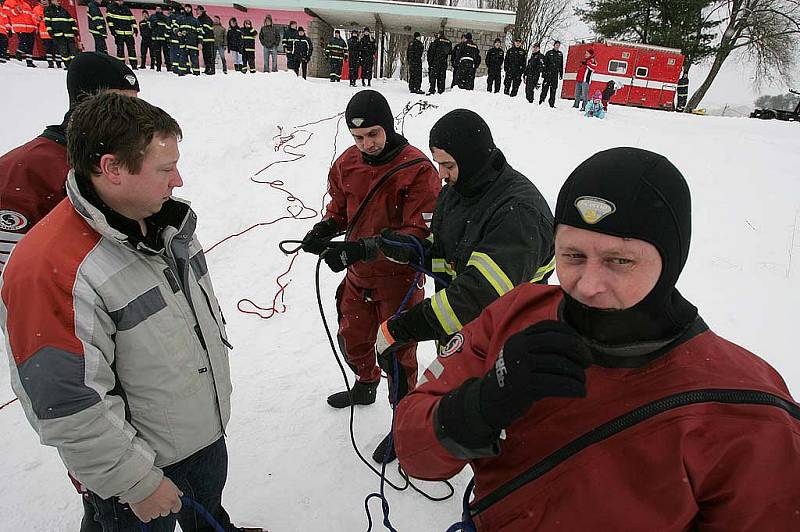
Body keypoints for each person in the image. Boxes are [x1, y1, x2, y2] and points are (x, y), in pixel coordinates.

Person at [395, 146, 800, 531]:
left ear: (671, 260)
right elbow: (413, 449)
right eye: (573, 256)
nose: (588, 285)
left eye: (619, 260)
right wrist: (479, 406)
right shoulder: (515, 314)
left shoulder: (748, 410)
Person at [1, 91, 265, 532]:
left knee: (208, 509)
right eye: (165, 169)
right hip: (137, 473)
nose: (178, 180)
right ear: (113, 169)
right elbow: (68, 405)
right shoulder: (50, 268)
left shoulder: (165, 223)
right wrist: (136, 482)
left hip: (199, 433)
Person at [0, 53, 139, 530]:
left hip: (132, 338)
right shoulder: (24, 170)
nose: (137, 117)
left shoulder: (127, 157)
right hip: (72, 347)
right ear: (87, 102)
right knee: (111, 485)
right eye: (125, 104)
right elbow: (17, 285)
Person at [372, 110, 555, 462]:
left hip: (503, 339)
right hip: (460, 332)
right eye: (439, 164)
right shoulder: (459, 191)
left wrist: (404, 328)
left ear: (472, 159)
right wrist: (413, 252)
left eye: (448, 165)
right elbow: (450, 259)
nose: (441, 174)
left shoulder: (517, 211)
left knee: (495, 421)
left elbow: (477, 295)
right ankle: (434, 445)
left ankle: (495, 487)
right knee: (454, 404)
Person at [300, 90, 441, 463]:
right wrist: (326, 227)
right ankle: (365, 384)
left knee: (396, 353)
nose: (367, 144)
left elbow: (418, 234)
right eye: (358, 137)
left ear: (388, 126)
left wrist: (363, 247)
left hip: (398, 281)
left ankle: (402, 425)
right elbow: (341, 207)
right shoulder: (347, 162)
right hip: (358, 275)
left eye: (373, 134)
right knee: (352, 336)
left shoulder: (417, 170)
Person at [106, 0, 136, 69]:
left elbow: (132, 18)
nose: (121, 1)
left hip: (128, 33)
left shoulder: (126, 8)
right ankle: (121, 66)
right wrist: (112, 30)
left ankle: (134, 65)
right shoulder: (111, 8)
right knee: (120, 50)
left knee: (132, 49)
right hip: (118, 33)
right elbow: (109, 20)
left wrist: (135, 28)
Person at [7, 0, 37, 67]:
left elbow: (32, 16)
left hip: (30, 28)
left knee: (30, 45)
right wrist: (16, 10)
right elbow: (9, 14)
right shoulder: (10, 2)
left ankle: (29, 62)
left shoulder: (26, 4)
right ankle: (19, 52)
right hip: (20, 27)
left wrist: (35, 26)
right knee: (24, 42)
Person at [178, 3, 201, 76]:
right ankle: (181, 73)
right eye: (186, 8)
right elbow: (175, 27)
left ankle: (196, 74)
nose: (187, 9)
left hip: (193, 44)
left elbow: (200, 33)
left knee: (194, 60)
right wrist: (178, 32)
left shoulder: (195, 21)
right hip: (183, 43)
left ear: (191, 9)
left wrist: (200, 43)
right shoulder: (180, 19)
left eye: (189, 8)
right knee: (182, 60)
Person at [539, 40, 563, 107]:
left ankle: (552, 104)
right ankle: (541, 101)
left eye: (558, 45)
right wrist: (544, 73)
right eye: (556, 45)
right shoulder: (549, 53)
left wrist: (561, 73)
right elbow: (544, 64)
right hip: (548, 74)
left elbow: (561, 65)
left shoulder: (560, 54)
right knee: (545, 89)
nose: (557, 46)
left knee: (553, 89)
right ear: (554, 45)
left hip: (555, 75)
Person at [35, 0, 58, 68]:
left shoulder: (52, 8)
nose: (44, 3)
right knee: (49, 50)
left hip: (54, 32)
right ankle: (50, 63)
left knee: (57, 49)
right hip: (44, 33)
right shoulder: (37, 9)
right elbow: (36, 19)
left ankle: (58, 63)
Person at [150, 4, 169, 71]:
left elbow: (167, 27)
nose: (158, 10)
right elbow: (150, 26)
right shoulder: (152, 17)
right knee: (157, 54)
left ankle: (168, 67)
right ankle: (158, 67)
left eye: (159, 8)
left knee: (166, 53)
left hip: (164, 38)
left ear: (161, 10)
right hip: (156, 38)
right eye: (157, 8)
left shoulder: (165, 17)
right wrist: (153, 24)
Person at [196, 5, 214, 74]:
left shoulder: (206, 19)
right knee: (205, 55)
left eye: (198, 10)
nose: (197, 12)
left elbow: (207, 29)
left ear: (202, 11)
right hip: (204, 40)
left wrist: (201, 31)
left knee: (210, 56)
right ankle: (207, 68)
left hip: (209, 40)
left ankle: (212, 70)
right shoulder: (199, 19)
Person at [167, 5, 183, 75]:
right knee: (179, 54)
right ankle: (178, 67)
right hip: (180, 39)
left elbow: (167, 28)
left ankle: (174, 67)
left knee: (173, 54)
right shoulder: (182, 17)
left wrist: (167, 37)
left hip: (172, 39)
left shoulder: (171, 17)